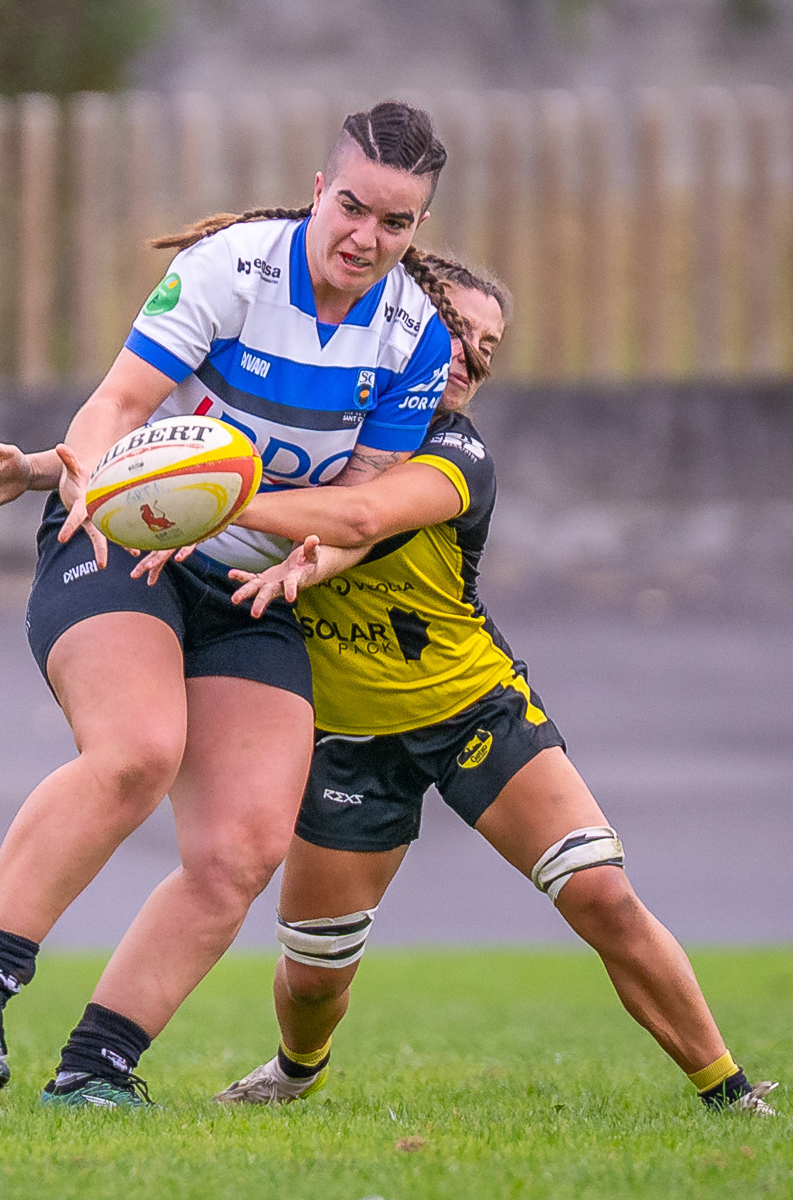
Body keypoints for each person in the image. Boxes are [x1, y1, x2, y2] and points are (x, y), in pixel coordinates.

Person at [0, 101, 480, 1104]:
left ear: (418, 228)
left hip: (251, 586)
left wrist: (308, 565)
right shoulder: (232, 269)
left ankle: (97, 1067)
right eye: (353, 208)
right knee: (138, 750)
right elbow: (119, 404)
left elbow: (357, 509)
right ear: (320, 190)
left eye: (396, 223)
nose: (367, 237)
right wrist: (85, 479)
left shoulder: (414, 340)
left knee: (244, 847)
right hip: (122, 542)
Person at [209, 257, 779, 1115]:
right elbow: (165, 446)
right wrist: (65, 471)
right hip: (348, 740)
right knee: (316, 976)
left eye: (490, 345)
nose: (473, 356)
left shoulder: (457, 450)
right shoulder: (306, 428)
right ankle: (297, 1069)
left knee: (602, 893)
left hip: (476, 709)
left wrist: (214, 498)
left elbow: (359, 520)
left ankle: (730, 1095)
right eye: (458, 331)